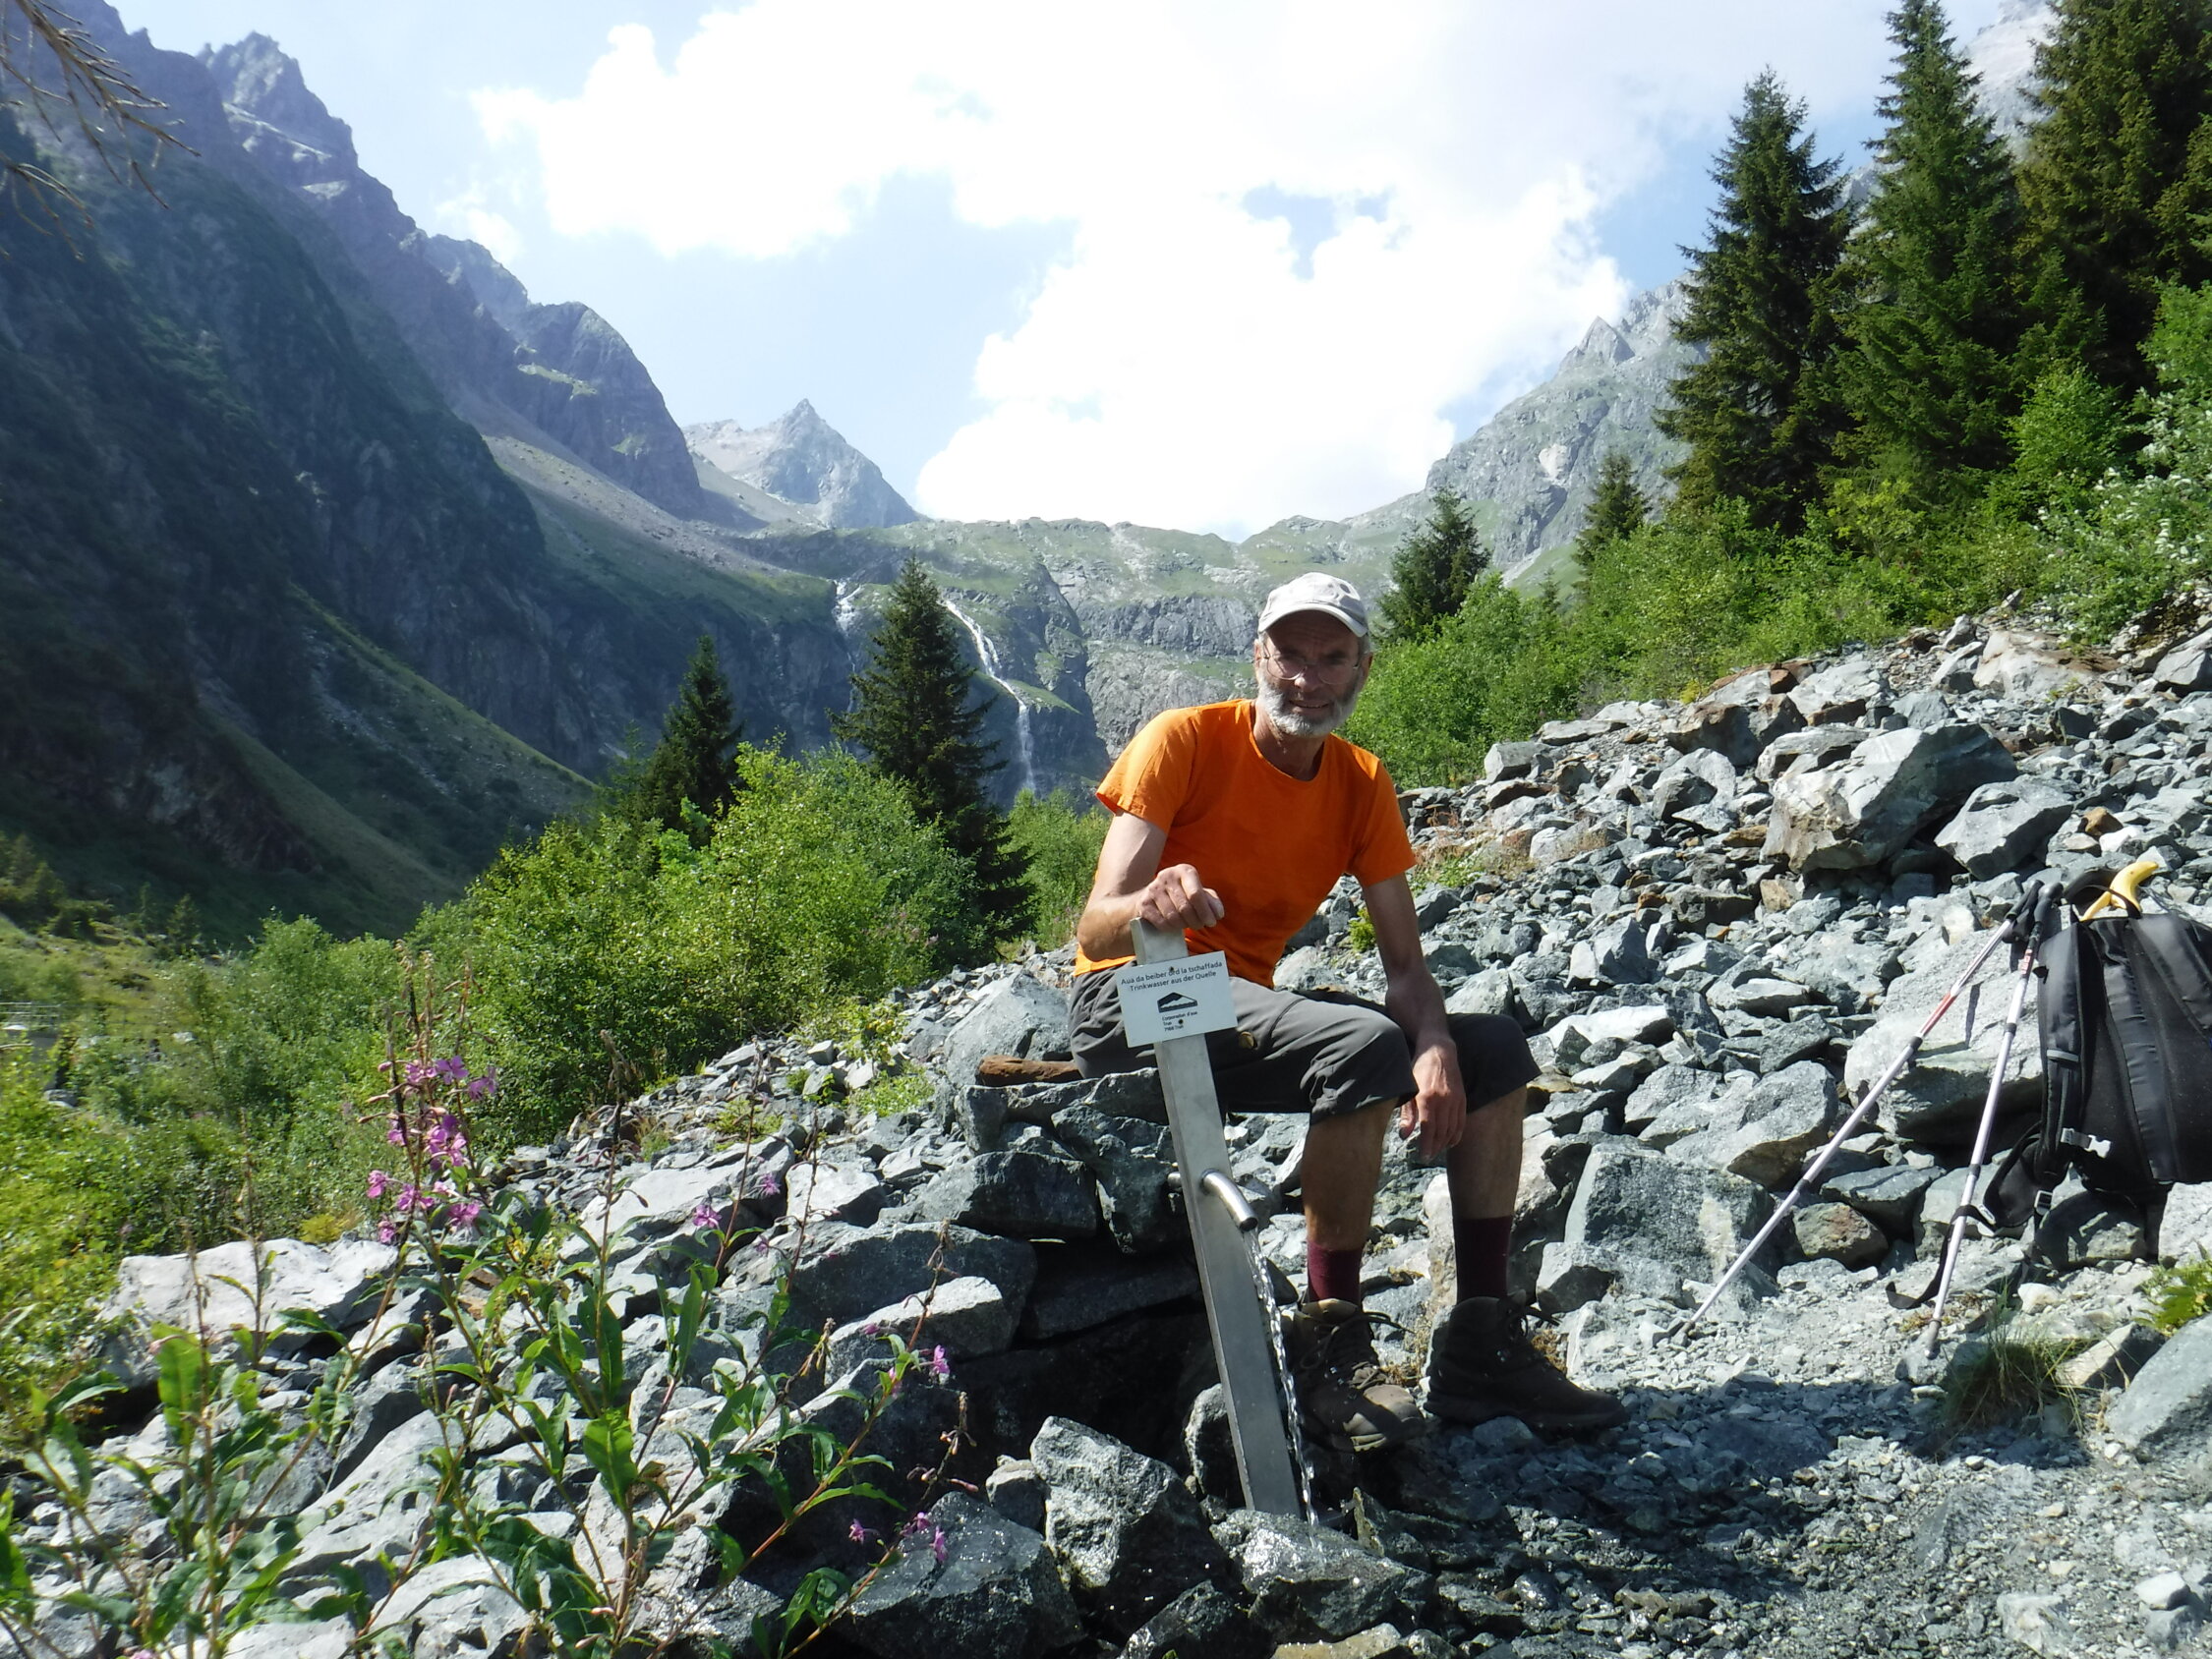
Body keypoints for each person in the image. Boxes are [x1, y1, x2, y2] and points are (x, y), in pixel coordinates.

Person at [1069, 572, 1625, 1452]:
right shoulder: (1184, 740)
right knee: (1360, 1045)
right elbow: (1095, 924)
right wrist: (1150, 903)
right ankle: (1331, 1338)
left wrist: (1434, 1043)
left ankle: (1481, 1341)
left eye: (1332, 659)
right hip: (1127, 994)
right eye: (1290, 654)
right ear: (1259, 656)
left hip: (1238, 1001)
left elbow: (1405, 964)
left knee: (1490, 1049)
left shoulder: (1361, 782)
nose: (1307, 678)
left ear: (1364, 669)